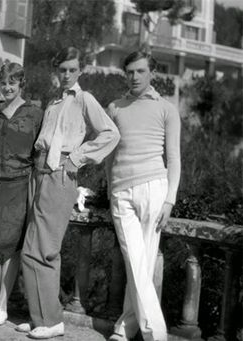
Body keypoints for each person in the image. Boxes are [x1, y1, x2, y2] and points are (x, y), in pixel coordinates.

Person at [17, 46, 120, 339]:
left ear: (80, 71)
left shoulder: (84, 99)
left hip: (61, 173)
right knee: (31, 247)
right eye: (62, 69)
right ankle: (39, 317)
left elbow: (111, 133)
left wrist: (78, 158)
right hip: (39, 173)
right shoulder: (54, 102)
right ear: (56, 70)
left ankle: (52, 321)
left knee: (46, 249)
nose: (66, 74)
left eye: (72, 69)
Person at [106, 51, 181, 341]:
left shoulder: (167, 108)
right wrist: (112, 187)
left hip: (154, 188)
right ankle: (156, 335)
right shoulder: (115, 107)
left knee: (141, 265)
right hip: (122, 192)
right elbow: (109, 155)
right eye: (130, 72)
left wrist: (170, 200)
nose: (134, 77)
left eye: (140, 71)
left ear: (152, 73)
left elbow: (174, 158)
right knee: (136, 262)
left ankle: (125, 328)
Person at [0, 63, 44, 326]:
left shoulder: (36, 114)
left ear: (21, 84)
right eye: (3, 83)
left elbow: (41, 154)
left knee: (12, 248)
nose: (7, 87)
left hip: (19, 183)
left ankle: (3, 304)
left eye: (12, 83)